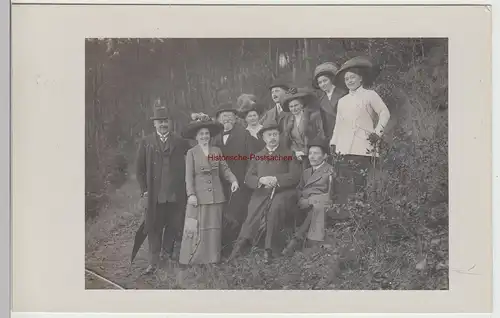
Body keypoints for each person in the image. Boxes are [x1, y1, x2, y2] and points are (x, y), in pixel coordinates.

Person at [229, 123, 302, 264]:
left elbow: (295, 175)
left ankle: (270, 249)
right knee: (252, 212)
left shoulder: (288, 154)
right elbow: (248, 178)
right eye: (269, 135)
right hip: (262, 191)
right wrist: (260, 180)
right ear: (263, 138)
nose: (273, 138)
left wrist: (277, 179)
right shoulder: (257, 156)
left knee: (274, 209)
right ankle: (240, 247)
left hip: (283, 192)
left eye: (275, 134)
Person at [135, 106, 191, 275]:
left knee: (174, 225)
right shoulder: (146, 142)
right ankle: (153, 262)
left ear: (170, 122)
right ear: (154, 124)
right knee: (153, 227)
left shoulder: (180, 141)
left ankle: (167, 256)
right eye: (160, 122)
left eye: (165, 121)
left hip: (175, 194)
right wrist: (144, 190)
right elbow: (139, 170)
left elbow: (193, 157)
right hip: (155, 195)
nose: (163, 124)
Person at [178, 117, 239, 265]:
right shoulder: (192, 153)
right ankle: (194, 259)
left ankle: (213, 259)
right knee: (198, 227)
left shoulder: (216, 151)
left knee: (214, 228)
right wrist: (191, 194)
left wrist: (234, 180)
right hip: (199, 196)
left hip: (216, 196)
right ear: (196, 137)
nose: (204, 136)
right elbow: (188, 177)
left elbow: (224, 169)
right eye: (201, 134)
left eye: (206, 134)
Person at [329, 56, 391, 201]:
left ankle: (361, 212)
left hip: (362, 146)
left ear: (361, 79)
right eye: (347, 79)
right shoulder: (342, 101)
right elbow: (338, 123)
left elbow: (384, 112)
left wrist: (378, 132)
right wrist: (334, 142)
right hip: (344, 148)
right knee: (344, 183)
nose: (350, 81)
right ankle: (347, 217)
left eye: (352, 77)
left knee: (360, 183)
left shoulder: (370, 95)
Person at [282, 137, 335, 256]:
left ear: (325, 156)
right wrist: (301, 199)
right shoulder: (306, 172)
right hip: (303, 203)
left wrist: (310, 201)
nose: (312, 156)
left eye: (316, 153)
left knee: (316, 208)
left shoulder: (330, 171)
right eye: (310, 153)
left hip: (320, 204)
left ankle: (297, 240)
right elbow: (299, 188)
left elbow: (329, 195)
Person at [211, 103, 255, 249]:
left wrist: (247, 179)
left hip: (240, 181)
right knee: (221, 211)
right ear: (218, 119)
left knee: (237, 211)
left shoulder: (244, 134)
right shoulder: (214, 136)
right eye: (223, 116)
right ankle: (223, 244)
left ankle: (239, 245)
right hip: (220, 181)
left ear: (236, 118)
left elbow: (252, 159)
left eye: (230, 116)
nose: (227, 119)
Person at [280, 87, 325, 169]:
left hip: (311, 153)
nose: (294, 108)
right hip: (295, 155)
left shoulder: (313, 116)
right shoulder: (288, 120)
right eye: (291, 106)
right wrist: (294, 153)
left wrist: (306, 152)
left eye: (296, 105)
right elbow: (287, 140)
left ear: (301, 105)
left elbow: (320, 134)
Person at [312, 62, 349, 142]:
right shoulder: (321, 100)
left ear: (331, 80)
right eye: (320, 83)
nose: (323, 84)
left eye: (325, 80)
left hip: (345, 132)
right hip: (330, 136)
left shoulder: (343, 94)